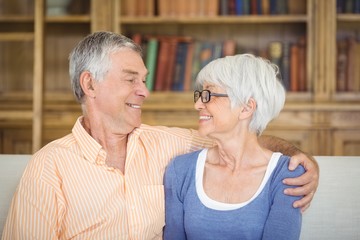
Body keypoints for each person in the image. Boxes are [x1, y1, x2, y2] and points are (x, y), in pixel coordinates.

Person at [2, 32, 318, 240]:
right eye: (131, 80)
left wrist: (297, 156)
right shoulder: (49, 167)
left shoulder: (167, 145)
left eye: (144, 79)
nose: (145, 91)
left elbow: (239, 142)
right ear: (90, 84)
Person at [164, 54, 306, 240]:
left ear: (246, 108)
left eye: (209, 95)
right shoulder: (180, 170)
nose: (198, 104)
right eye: (199, 95)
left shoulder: (287, 174)